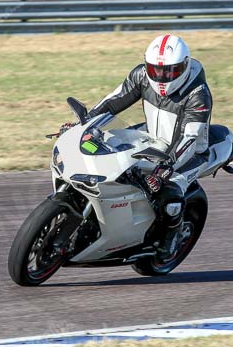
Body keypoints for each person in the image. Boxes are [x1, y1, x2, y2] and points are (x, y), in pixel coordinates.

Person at [60, 34, 212, 260]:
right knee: (107, 149)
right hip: (153, 136)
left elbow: (189, 140)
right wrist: (84, 124)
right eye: (156, 70)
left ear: (185, 66)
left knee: (169, 190)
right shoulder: (140, 75)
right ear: (146, 65)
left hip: (189, 153)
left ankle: (168, 243)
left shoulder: (198, 95)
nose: (162, 77)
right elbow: (113, 100)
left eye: (169, 71)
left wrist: (165, 168)